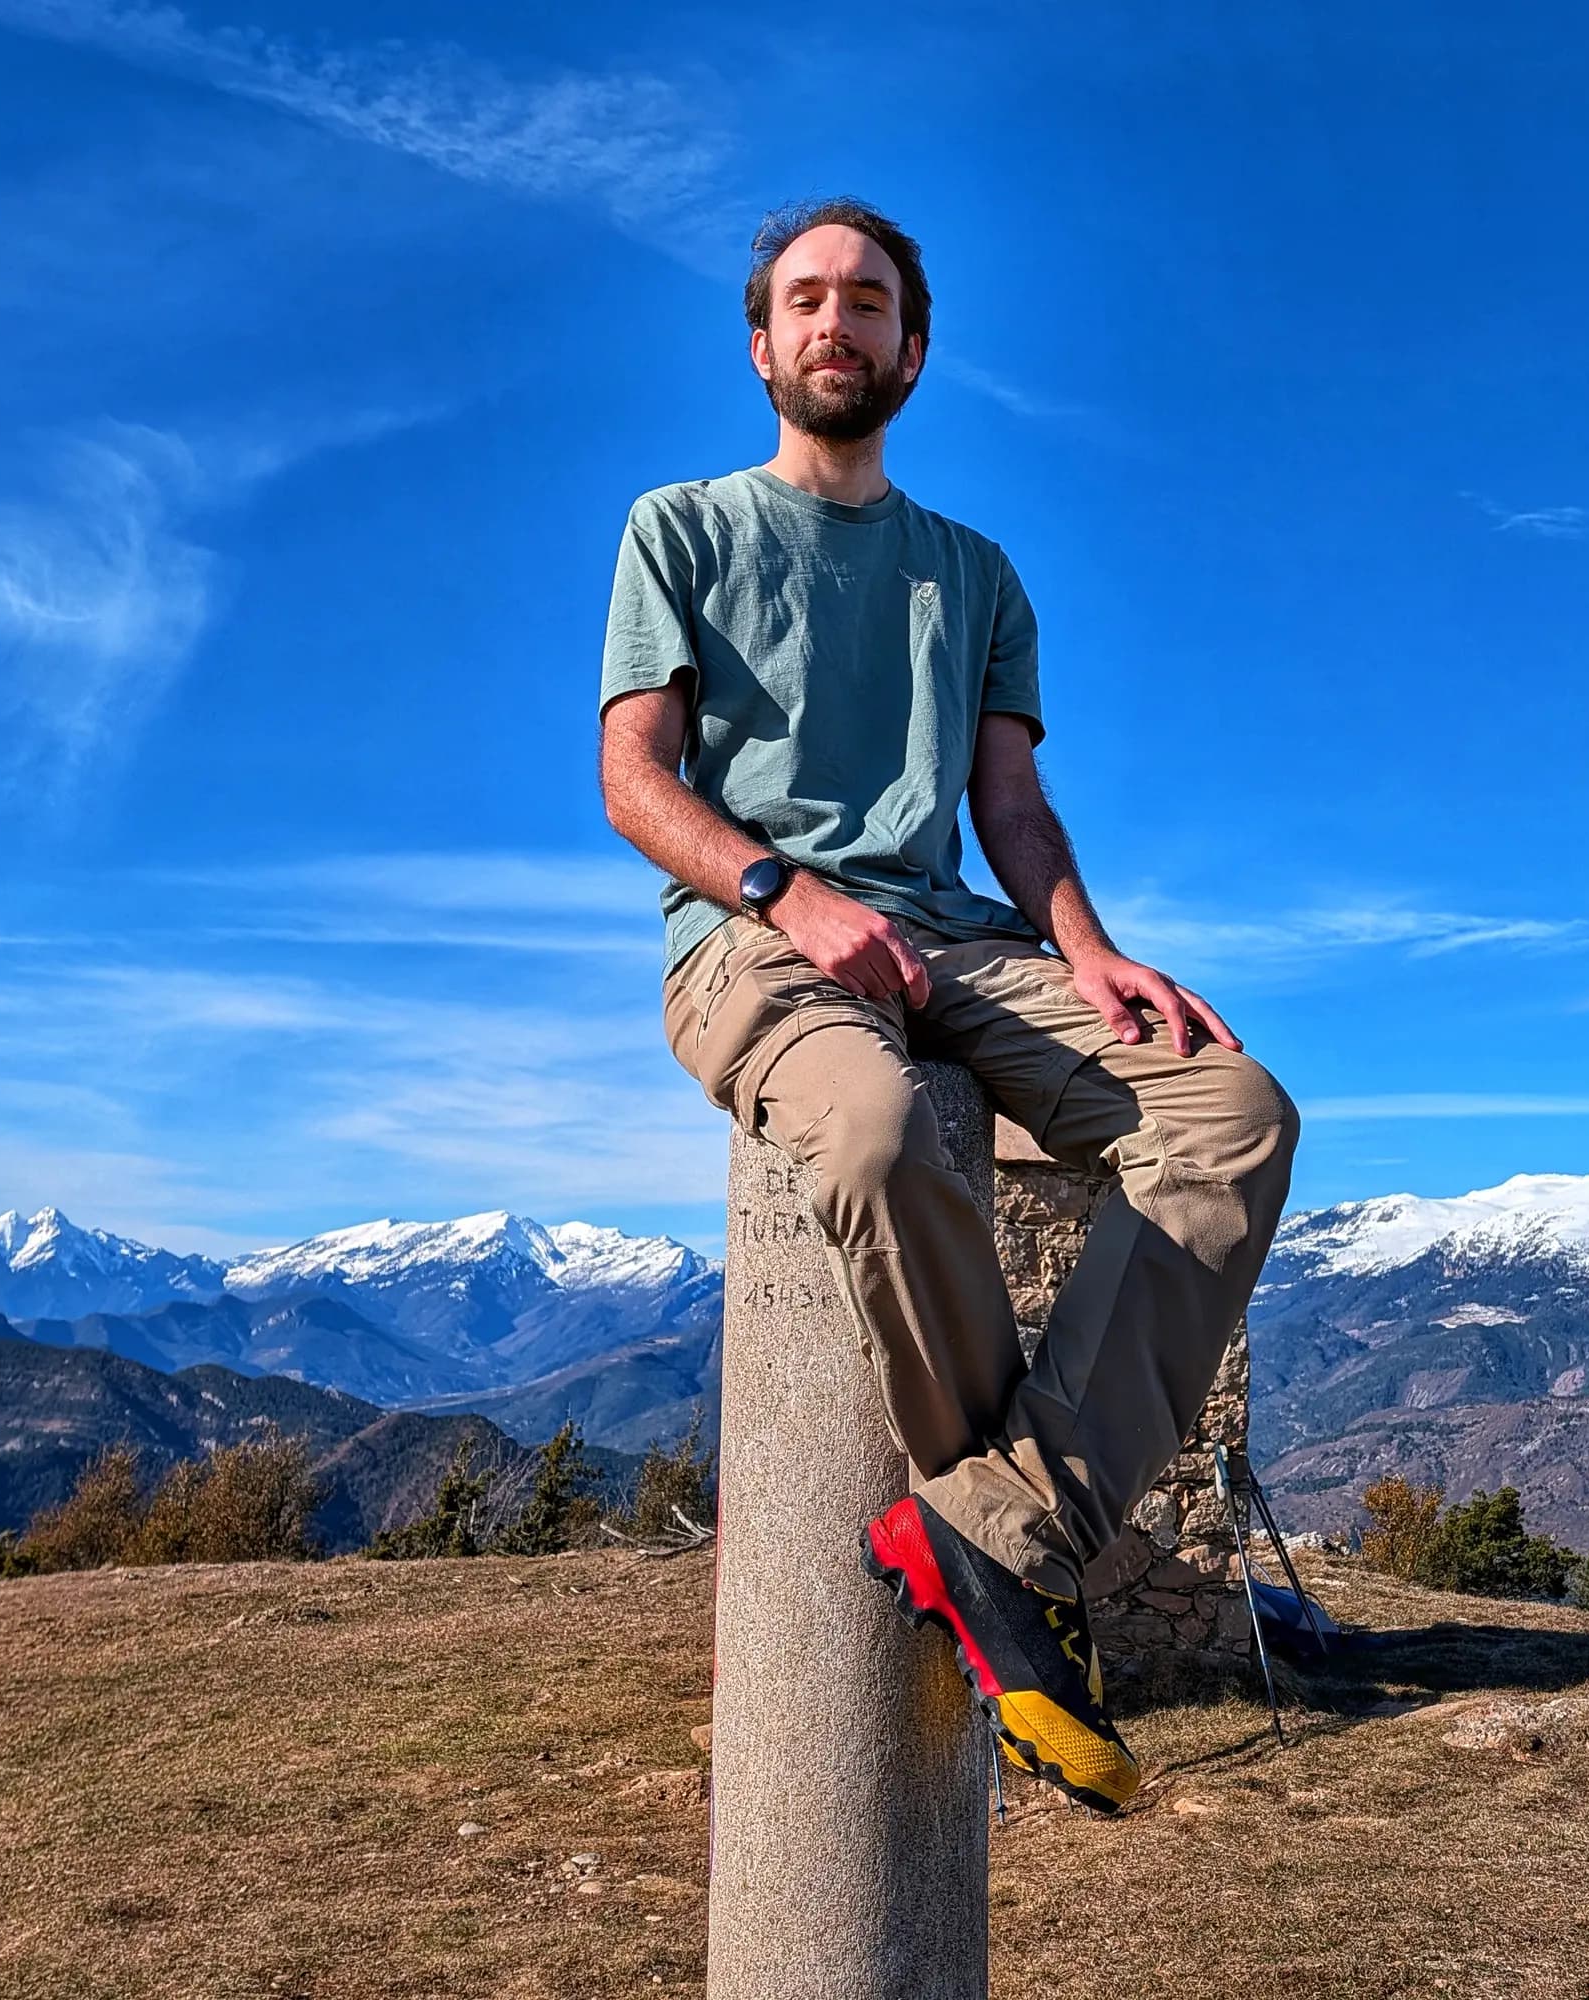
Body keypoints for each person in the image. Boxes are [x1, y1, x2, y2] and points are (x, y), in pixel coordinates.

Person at [596, 196, 1300, 1814]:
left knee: (1233, 1117)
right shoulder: (679, 531)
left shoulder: (972, 575)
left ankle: (993, 1537)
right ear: (763, 344)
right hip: (751, 944)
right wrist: (789, 892)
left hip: (963, 939)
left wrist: (1092, 948)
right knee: (871, 1126)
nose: (837, 324)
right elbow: (636, 782)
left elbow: (1012, 807)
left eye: (869, 302)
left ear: (912, 348)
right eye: (807, 300)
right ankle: (1019, 1590)